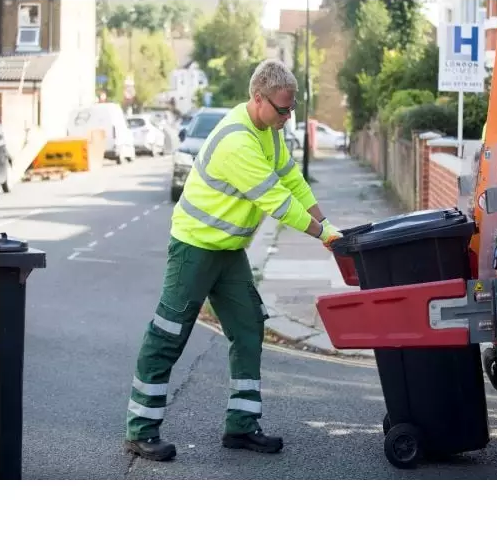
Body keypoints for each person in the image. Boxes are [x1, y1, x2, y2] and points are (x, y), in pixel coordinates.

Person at [124, 59, 343, 461]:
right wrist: (324, 236)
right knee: (168, 334)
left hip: (228, 251)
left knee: (248, 327)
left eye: (292, 108)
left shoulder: (268, 131)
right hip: (194, 249)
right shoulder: (237, 142)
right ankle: (141, 429)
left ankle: (241, 427)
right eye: (282, 108)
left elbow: (291, 180)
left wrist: (328, 224)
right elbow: (277, 202)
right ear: (257, 98)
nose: (288, 116)